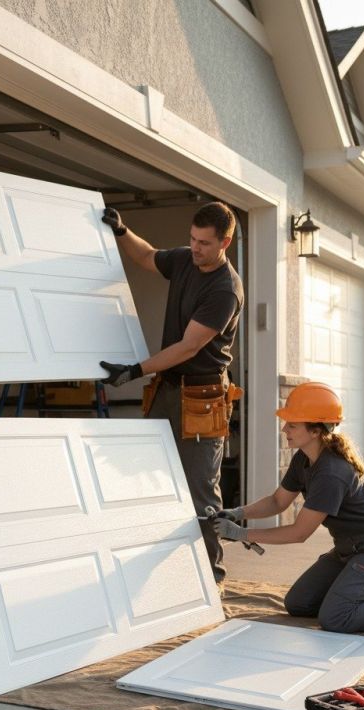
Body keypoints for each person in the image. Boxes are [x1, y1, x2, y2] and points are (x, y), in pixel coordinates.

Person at [212, 381, 364, 634]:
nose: (284, 429)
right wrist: (238, 513)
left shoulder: (331, 472)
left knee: (336, 618)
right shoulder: (304, 458)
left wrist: (241, 534)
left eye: (292, 424)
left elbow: (299, 533)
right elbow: (278, 501)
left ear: (315, 431)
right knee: (298, 603)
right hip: (350, 552)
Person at [99, 202, 244, 587]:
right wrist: (122, 230)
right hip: (167, 389)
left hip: (202, 398)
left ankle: (211, 581)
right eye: (192, 239)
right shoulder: (184, 260)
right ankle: (161, 576)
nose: (194, 248)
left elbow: (188, 347)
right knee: (152, 480)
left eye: (204, 243)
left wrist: (134, 370)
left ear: (225, 242)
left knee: (200, 492)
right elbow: (147, 256)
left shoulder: (224, 289)